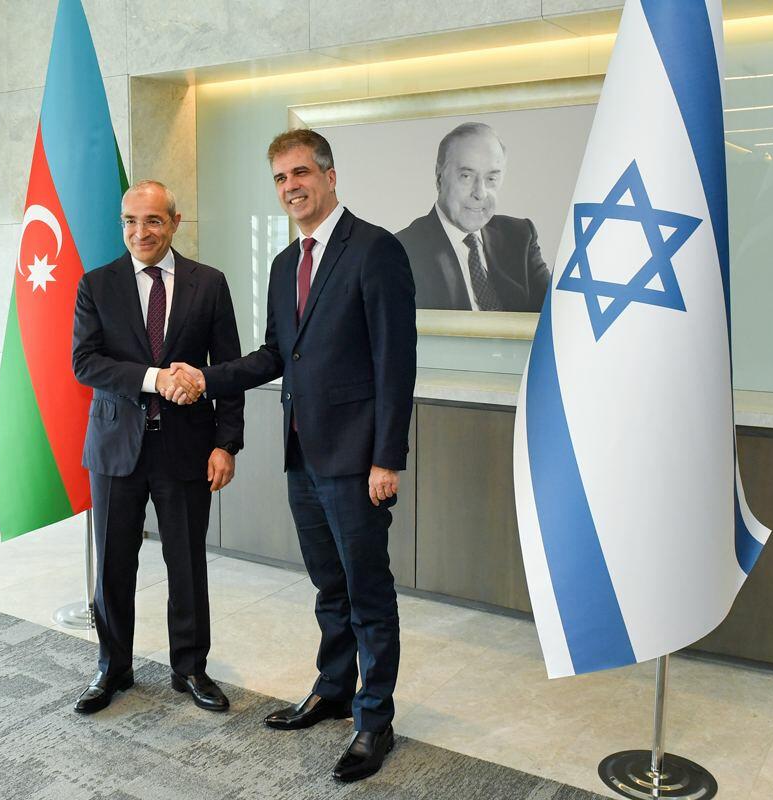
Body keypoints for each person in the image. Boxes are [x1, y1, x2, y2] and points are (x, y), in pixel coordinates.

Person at [171, 130, 416, 783]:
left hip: (357, 457)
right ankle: (333, 688)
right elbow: (277, 355)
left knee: (367, 591)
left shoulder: (375, 250)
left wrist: (386, 457)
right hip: (302, 454)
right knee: (328, 585)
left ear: (329, 177)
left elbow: (396, 362)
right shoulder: (286, 264)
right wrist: (205, 377)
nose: (290, 187)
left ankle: (374, 719)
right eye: (280, 178)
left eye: (300, 173)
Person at [70, 180, 244, 715]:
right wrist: (154, 378)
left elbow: (228, 370)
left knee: (186, 563)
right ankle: (112, 667)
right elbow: (85, 363)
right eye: (130, 221)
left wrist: (226, 444)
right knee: (113, 564)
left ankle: (189, 667)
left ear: (174, 222)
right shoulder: (96, 284)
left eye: (152, 220)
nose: (140, 232)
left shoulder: (208, 283)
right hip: (115, 449)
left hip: (186, 449)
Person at [396, 121, 550, 311]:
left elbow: (556, 316)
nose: (480, 193)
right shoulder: (402, 251)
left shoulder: (520, 236)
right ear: (439, 177)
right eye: (466, 176)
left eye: (491, 178)